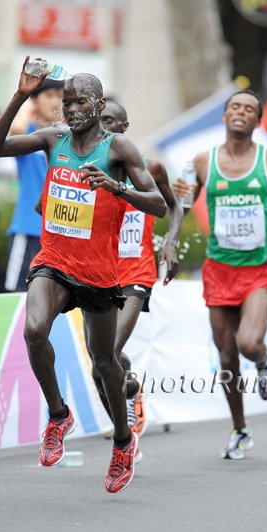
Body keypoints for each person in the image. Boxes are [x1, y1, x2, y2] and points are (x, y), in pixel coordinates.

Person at [0, 57, 167, 493]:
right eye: (67, 101)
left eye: (80, 100)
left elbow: (158, 203)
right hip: (54, 263)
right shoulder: (52, 140)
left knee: (104, 363)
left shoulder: (120, 150)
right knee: (33, 330)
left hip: (100, 274)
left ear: (99, 105)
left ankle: (123, 443)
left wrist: (116, 187)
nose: (71, 108)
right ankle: (58, 415)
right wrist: (22, 94)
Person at [172, 89, 267, 460]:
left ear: (256, 121)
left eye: (249, 109)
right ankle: (240, 429)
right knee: (226, 358)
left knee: (249, 345)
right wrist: (170, 242)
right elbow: (181, 206)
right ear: (224, 116)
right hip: (218, 270)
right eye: (235, 106)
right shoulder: (203, 162)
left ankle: (265, 361)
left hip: (256, 271)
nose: (241, 112)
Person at [91, 100, 182, 459]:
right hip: (99, 274)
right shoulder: (87, 166)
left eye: (113, 122)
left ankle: (125, 440)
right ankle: (129, 387)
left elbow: (172, 206)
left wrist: (170, 244)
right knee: (102, 362)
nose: (107, 128)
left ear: (126, 127)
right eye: (102, 122)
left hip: (137, 273)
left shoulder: (150, 166)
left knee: (109, 351)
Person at [5, 78, 64, 291]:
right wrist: (28, 99)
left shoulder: (64, 138)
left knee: (52, 297)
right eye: (49, 96)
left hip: (58, 232)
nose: (56, 103)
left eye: (60, 97)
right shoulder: (29, 132)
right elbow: (15, 130)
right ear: (35, 101)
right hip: (28, 229)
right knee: (17, 294)